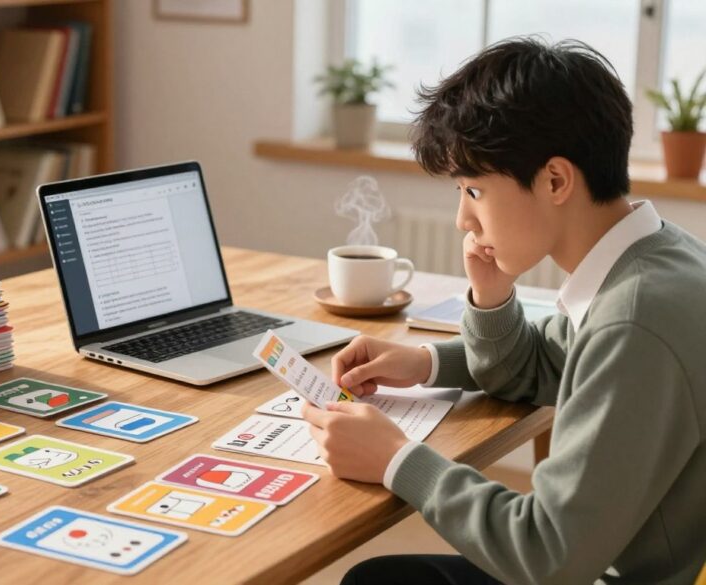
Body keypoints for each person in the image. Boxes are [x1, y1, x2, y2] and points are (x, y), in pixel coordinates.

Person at [302, 37, 706, 585]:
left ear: (556, 180)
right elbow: (540, 366)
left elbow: (548, 555)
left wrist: (396, 459)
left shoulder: (634, 321)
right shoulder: (658, 255)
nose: (462, 220)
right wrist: (431, 359)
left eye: (473, 190)